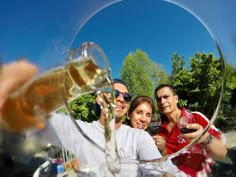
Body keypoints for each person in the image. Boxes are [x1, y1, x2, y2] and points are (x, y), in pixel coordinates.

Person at [154, 84, 227, 177]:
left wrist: (205, 138)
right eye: (158, 99)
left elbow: (223, 152)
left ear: (176, 99)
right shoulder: (161, 132)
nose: (162, 101)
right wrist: (163, 151)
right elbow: (166, 163)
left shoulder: (195, 117)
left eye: (166, 97)